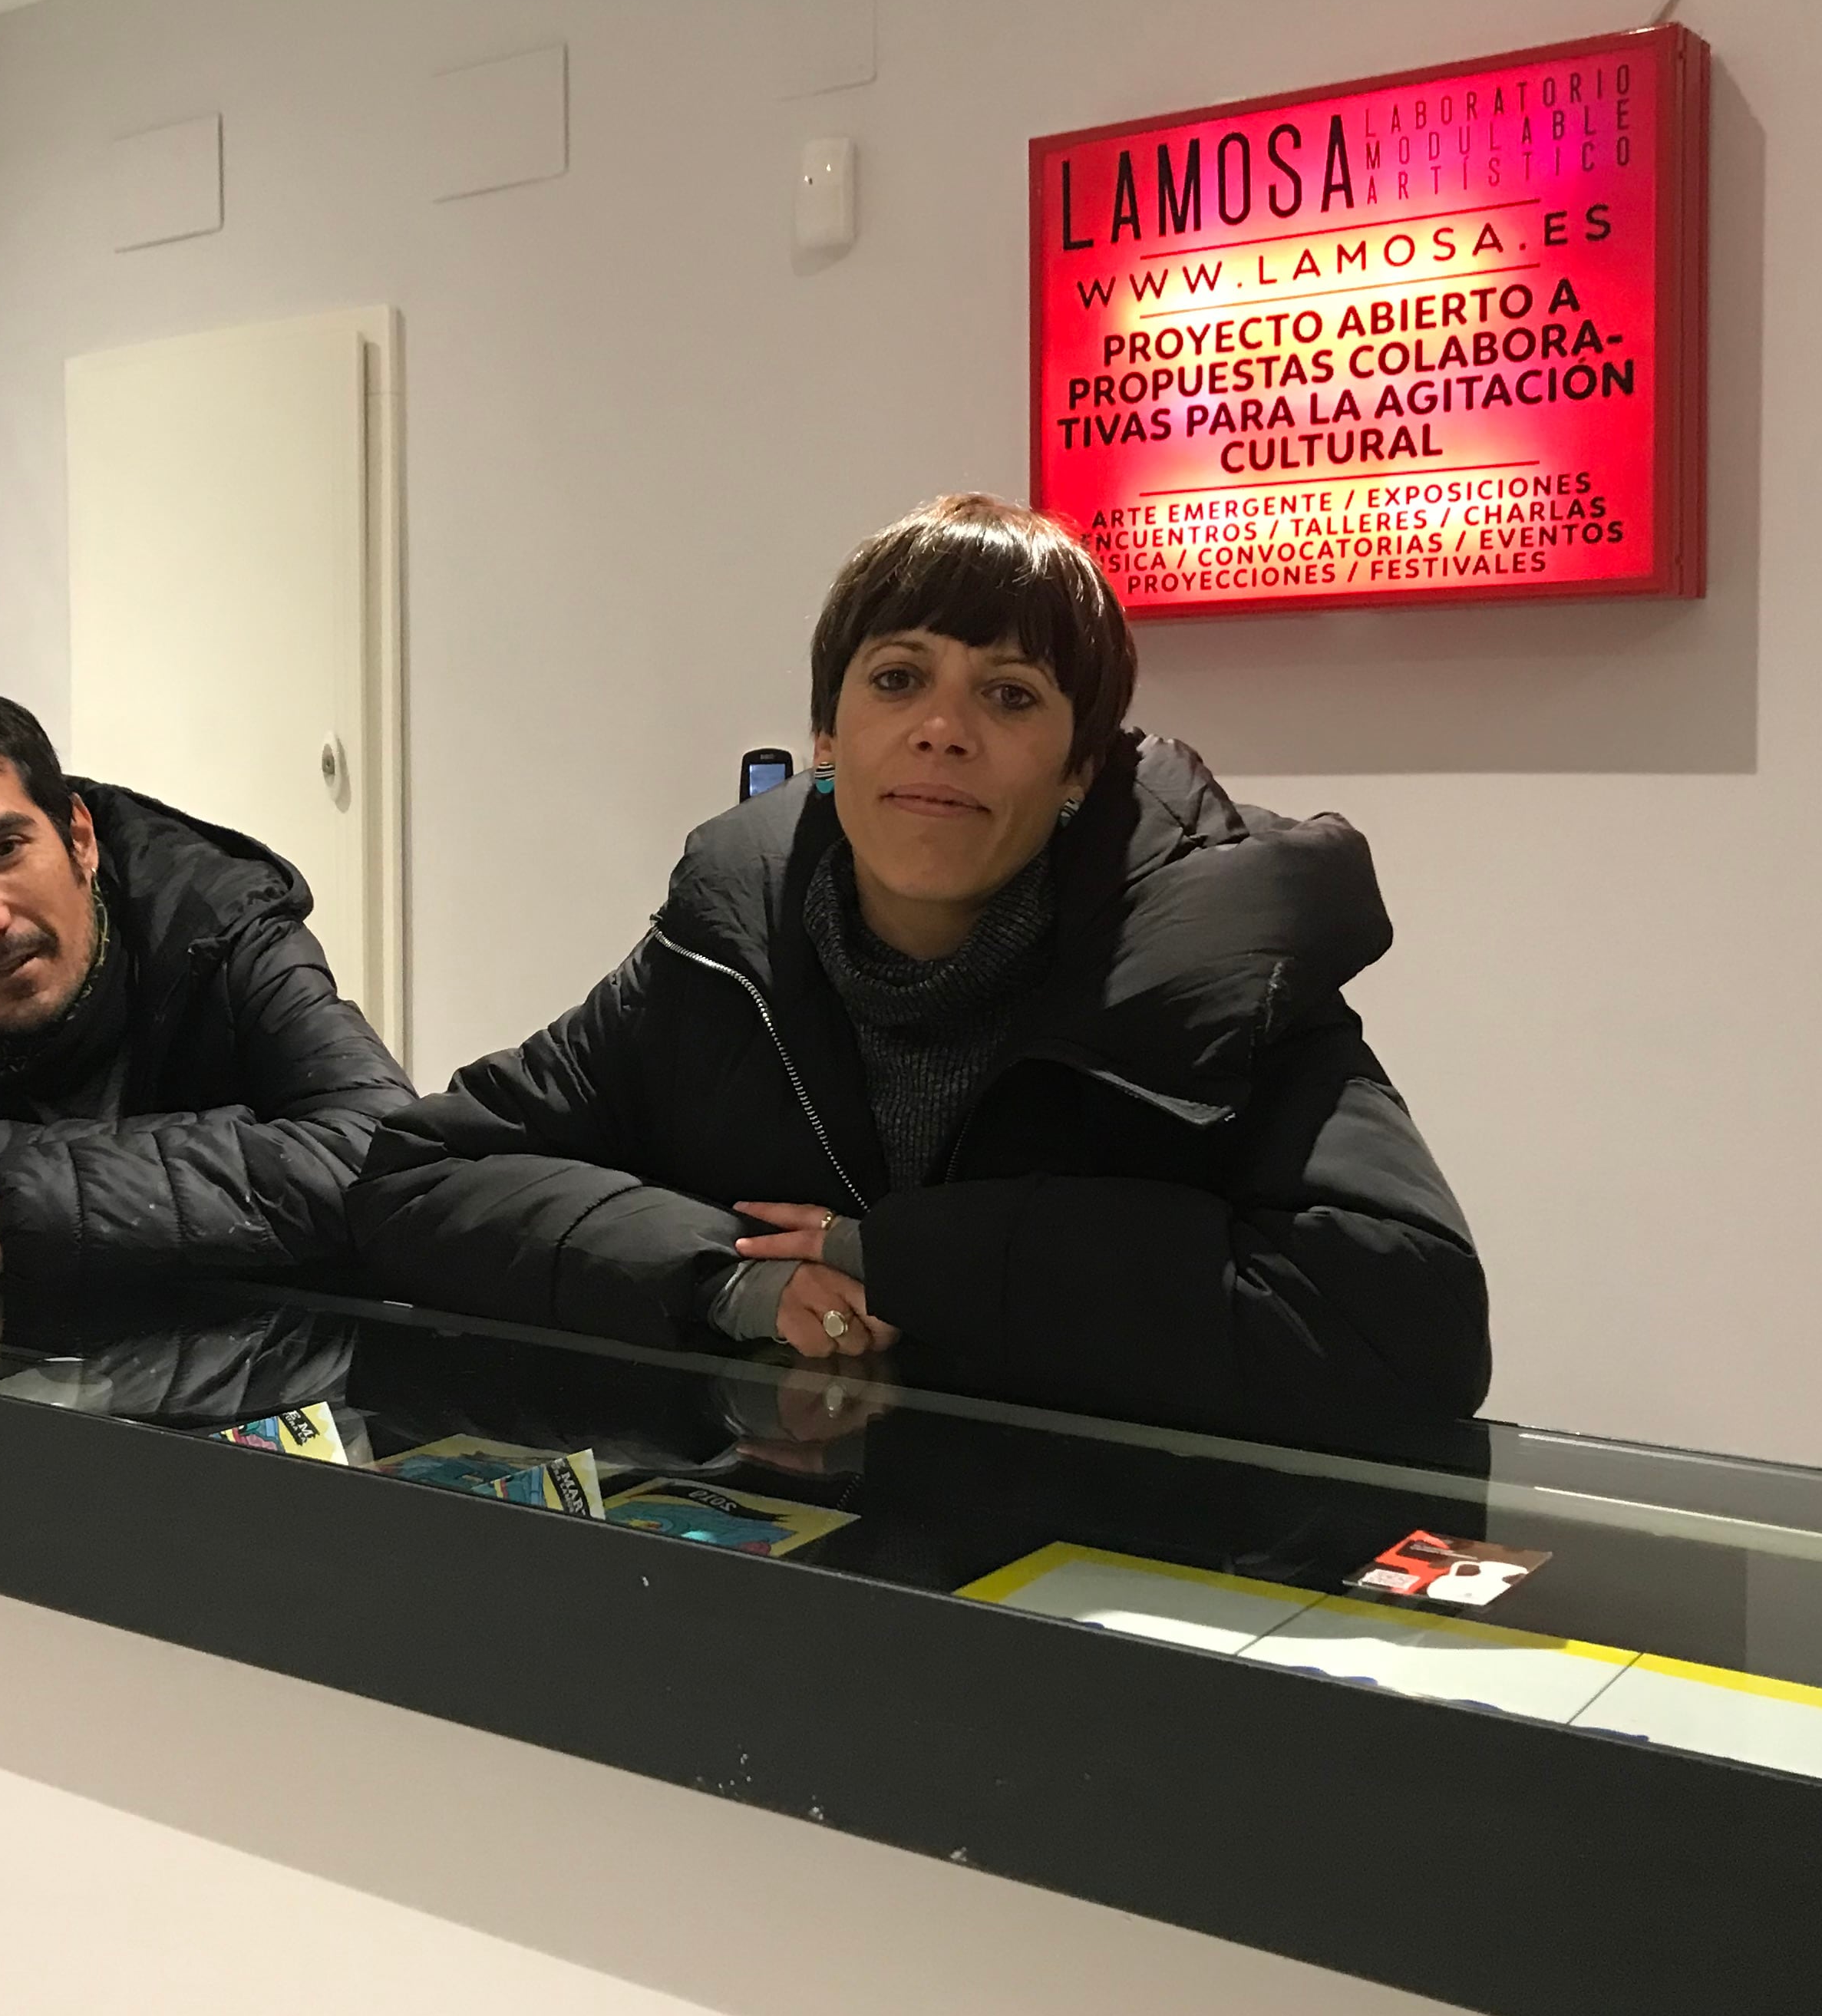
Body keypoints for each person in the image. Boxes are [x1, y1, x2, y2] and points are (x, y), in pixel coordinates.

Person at [349, 494, 1487, 1439]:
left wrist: (900, 1261)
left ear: (1080, 766)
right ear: (828, 742)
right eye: (899, 679)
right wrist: (725, 1276)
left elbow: (1404, 1328)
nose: (943, 729)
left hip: (1097, 1594)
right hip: (800, 1577)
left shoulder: (1219, 970)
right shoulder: (721, 951)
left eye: (1009, 695)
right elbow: (425, 1176)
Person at [0, 681, 412, 1292]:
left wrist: (9, 1219)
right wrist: (251, 1147)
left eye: (4, 850)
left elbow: (385, 1154)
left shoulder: (219, 917)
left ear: (79, 839)